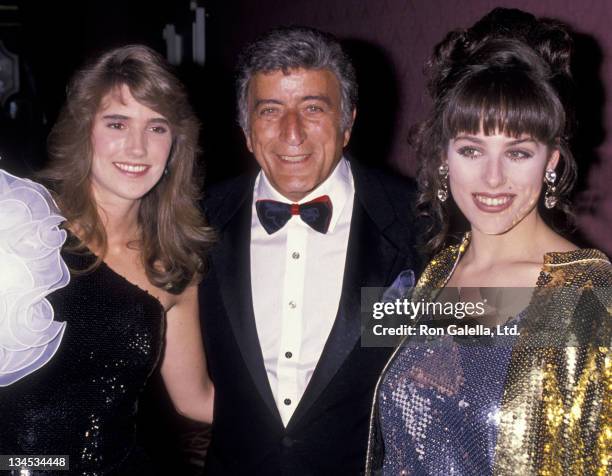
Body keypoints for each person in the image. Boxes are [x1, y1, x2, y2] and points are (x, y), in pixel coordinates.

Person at [365, 8, 611, 476]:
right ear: (443, 158)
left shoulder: (581, 295)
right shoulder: (436, 275)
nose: (492, 178)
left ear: (552, 162)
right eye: (471, 149)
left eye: (518, 152)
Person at [199, 26, 423, 474]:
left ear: (348, 121)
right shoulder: (196, 224)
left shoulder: (421, 225)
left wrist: (571, 302)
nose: (292, 133)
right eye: (270, 110)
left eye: (313, 108)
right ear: (246, 129)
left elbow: (498, 328)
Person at [0, 45, 215, 474]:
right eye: (117, 123)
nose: (137, 147)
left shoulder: (173, 265)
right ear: (85, 132)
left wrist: (329, 410)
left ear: (175, 146)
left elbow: (197, 400)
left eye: (157, 127)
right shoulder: (21, 226)